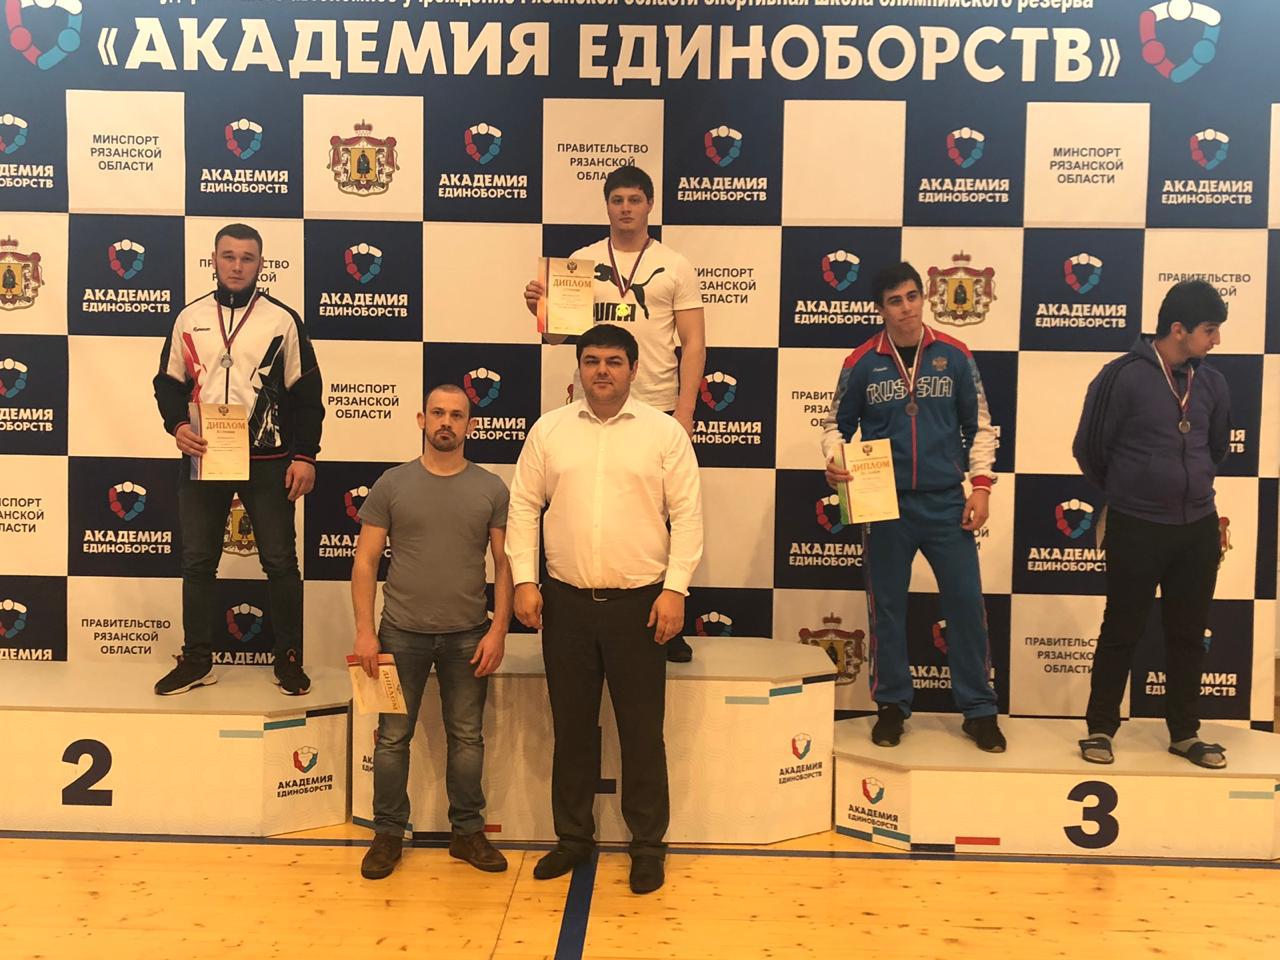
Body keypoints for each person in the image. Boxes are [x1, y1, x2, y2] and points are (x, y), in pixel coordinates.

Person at [506, 323, 703, 895]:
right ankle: (573, 839)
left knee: (642, 733)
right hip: (564, 604)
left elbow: (687, 515)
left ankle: (647, 846)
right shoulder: (549, 430)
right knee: (572, 730)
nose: (601, 371)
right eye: (591, 360)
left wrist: (676, 590)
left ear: (634, 369)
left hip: (640, 606)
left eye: (614, 361)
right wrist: (525, 580)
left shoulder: (664, 434)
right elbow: (523, 508)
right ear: (579, 367)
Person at [523, 164, 707, 663]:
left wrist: (686, 408)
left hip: (658, 402)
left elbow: (693, 343)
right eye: (617, 200)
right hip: (594, 403)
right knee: (595, 503)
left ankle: (671, 612)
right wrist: (539, 308)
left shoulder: (675, 265)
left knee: (667, 513)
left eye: (635, 199)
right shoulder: (581, 262)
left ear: (650, 205)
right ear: (607, 205)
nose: (626, 208)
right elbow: (557, 335)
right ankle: (580, 611)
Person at [822, 262, 1004, 752]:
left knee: (966, 603)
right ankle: (891, 706)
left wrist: (981, 487)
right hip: (884, 502)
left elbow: (980, 426)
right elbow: (836, 426)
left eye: (911, 297)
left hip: (946, 501)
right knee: (887, 608)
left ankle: (979, 710)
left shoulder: (955, 354)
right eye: (894, 301)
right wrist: (835, 461)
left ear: (923, 298)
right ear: (880, 309)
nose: (905, 309)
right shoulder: (862, 361)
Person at [152, 223, 322, 697]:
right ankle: (196, 660)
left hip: (268, 458)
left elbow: (308, 394)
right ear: (213, 260)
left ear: (261, 265)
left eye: (247, 258)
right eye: (228, 256)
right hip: (206, 452)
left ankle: (289, 659)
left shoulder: (282, 320)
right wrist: (177, 426)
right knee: (197, 562)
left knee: (280, 562)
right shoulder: (189, 317)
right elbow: (168, 383)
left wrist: (305, 456)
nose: (237, 266)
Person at [352, 384, 513, 878]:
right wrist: (364, 633)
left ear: (471, 425)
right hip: (400, 634)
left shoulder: (491, 488)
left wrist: (498, 631)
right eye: (438, 413)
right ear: (422, 420)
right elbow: (365, 562)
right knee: (391, 740)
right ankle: (387, 834)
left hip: (469, 635)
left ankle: (467, 833)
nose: (447, 422)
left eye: (457, 415)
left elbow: (505, 565)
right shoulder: (392, 484)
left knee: (467, 738)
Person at [1072, 280, 1231, 769]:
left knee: (1188, 633)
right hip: (1137, 523)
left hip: (1197, 526)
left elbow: (1216, 449)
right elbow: (1089, 449)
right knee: (1122, 628)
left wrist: (1190, 486)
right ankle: (1100, 728)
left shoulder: (1212, 382)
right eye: (1209, 330)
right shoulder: (1121, 376)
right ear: (1178, 329)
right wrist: (1134, 491)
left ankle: (1184, 733)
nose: (1216, 341)